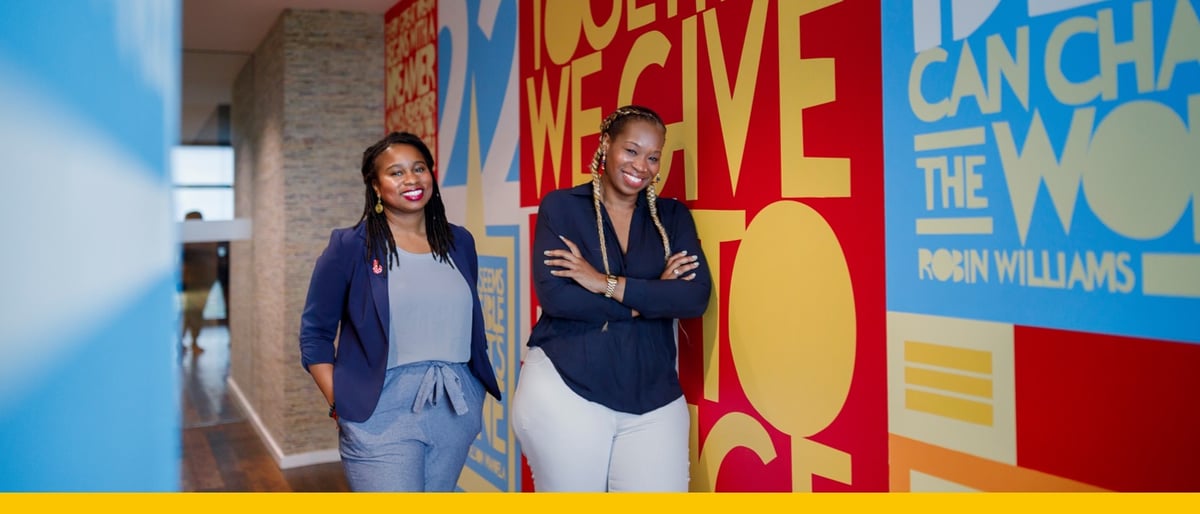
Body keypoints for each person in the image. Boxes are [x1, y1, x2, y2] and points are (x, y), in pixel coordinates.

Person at [511, 105, 712, 492]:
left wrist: (602, 282)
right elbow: (559, 300)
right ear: (607, 145)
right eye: (632, 150)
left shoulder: (672, 217)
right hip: (567, 387)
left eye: (653, 156)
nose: (643, 165)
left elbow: (693, 299)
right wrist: (653, 295)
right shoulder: (563, 207)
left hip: (654, 396)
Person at [298, 131, 501, 492]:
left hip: (455, 403)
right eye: (396, 172)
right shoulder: (349, 247)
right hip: (380, 407)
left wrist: (473, 390)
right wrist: (339, 401)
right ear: (375, 186)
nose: (411, 179)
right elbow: (315, 335)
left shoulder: (460, 243)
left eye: (419, 168)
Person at [180, 210, 219, 355]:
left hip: (201, 281)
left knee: (193, 313)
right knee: (190, 313)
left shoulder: (205, 239)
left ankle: (190, 341)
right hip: (191, 282)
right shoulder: (187, 239)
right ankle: (186, 341)